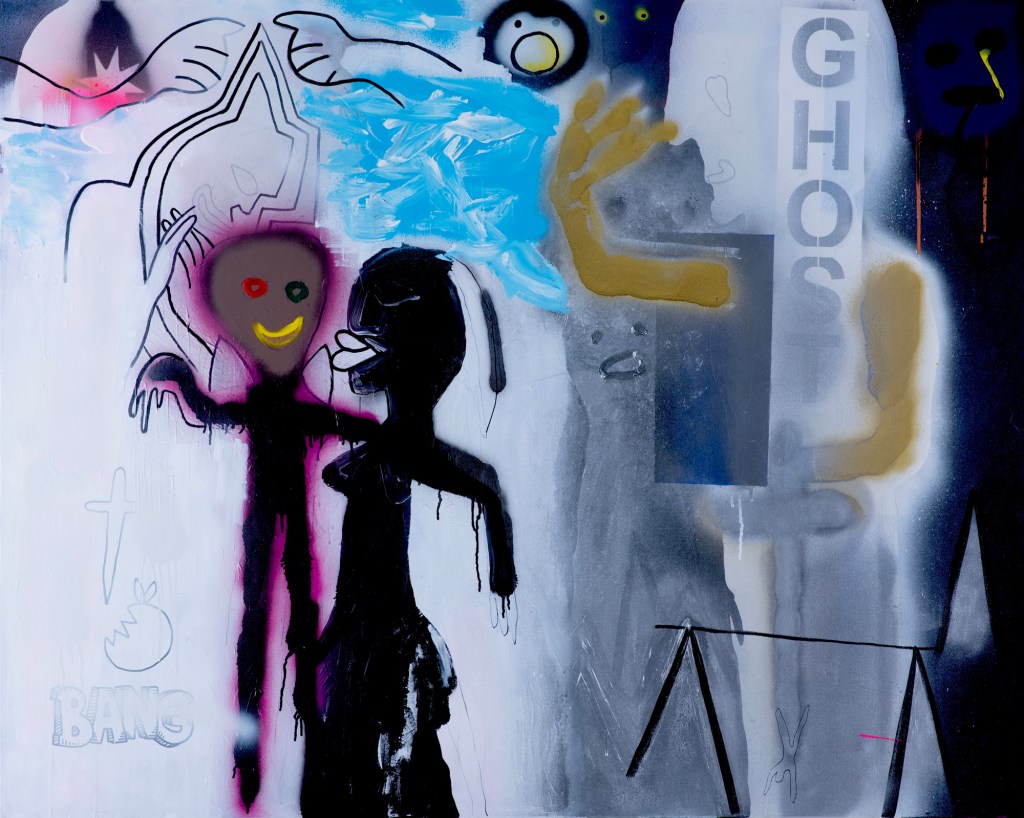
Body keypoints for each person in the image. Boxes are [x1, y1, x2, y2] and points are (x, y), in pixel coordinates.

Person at [300, 246, 517, 817]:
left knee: (385, 765)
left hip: (377, 637)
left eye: (375, 335)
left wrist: (497, 534)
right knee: (394, 766)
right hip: (373, 631)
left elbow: (444, 472)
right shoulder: (390, 449)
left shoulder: (394, 449)